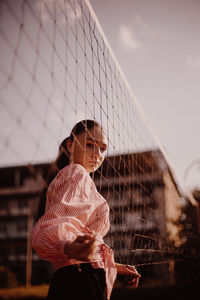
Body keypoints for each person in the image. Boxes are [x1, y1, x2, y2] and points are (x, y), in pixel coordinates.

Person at [32, 119, 141, 300]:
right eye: (90, 145)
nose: (97, 154)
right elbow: (49, 229)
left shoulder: (78, 179)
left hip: (80, 278)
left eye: (103, 148)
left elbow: (85, 248)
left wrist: (115, 266)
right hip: (79, 281)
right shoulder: (76, 173)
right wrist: (68, 246)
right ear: (70, 145)